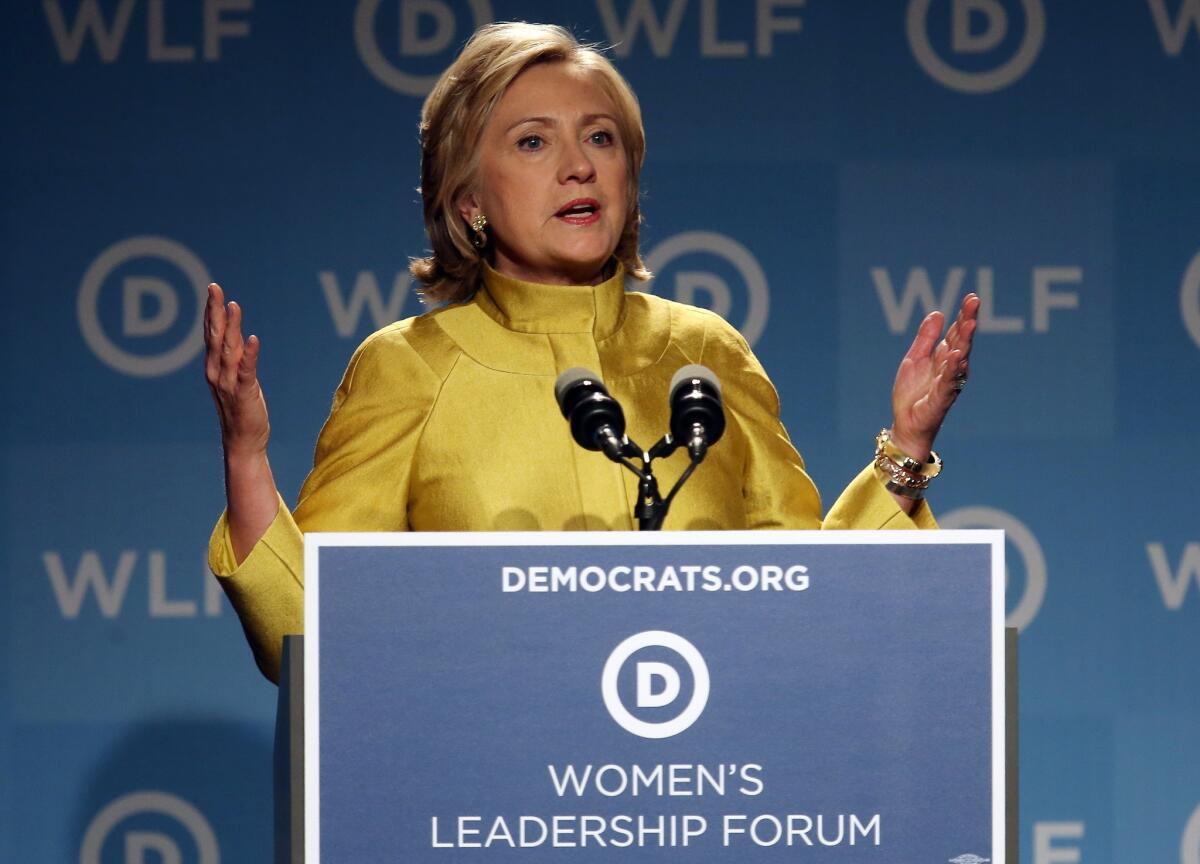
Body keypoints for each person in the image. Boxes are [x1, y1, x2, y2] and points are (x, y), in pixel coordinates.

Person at [204, 23, 979, 683]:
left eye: (600, 138)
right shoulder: (411, 367)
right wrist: (247, 455)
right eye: (533, 141)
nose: (579, 165)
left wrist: (905, 451)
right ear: (469, 201)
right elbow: (310, 636)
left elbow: (808, 602)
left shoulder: (703, 353)